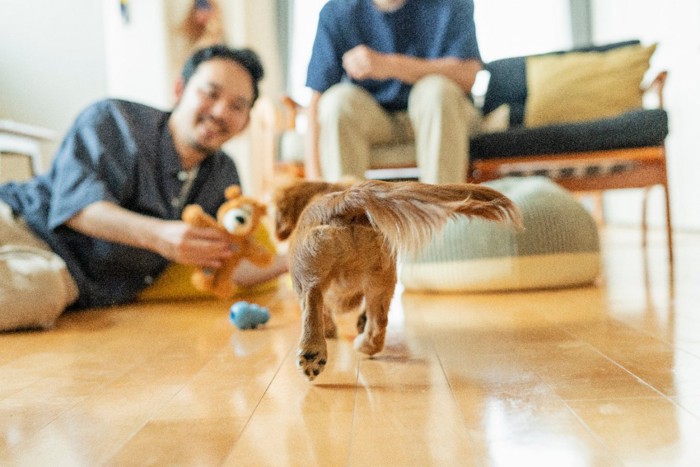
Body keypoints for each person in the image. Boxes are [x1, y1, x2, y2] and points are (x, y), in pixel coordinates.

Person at [0, 45, 288, 332]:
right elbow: (79, 208)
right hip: (19, 220)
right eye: (210, 93)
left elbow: (230, 262)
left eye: (237, 106)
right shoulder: (113, 119)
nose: (220, 111)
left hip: (65, 277)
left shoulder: (223, 174)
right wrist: (160, 236)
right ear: (179, 89)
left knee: (38, 294)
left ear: (245, 122)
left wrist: (300, 257)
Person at [304, 0, 483, 184]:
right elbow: (317, 99)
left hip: (438, 114)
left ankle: (441, 209)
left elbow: (468, 75)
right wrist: (314, 181)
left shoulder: (452, 4)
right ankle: (343, 209)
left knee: (436, 91)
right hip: (375, 121)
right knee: (336, 102)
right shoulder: (336, 12)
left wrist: (390, 65)